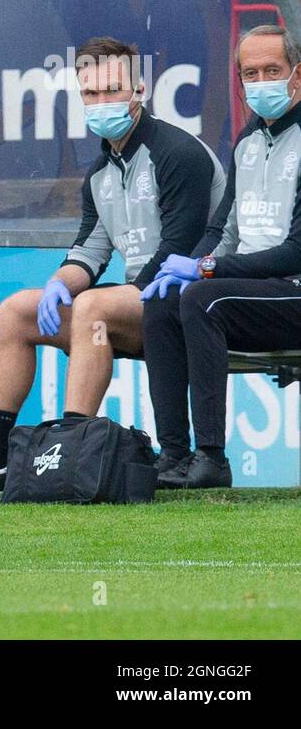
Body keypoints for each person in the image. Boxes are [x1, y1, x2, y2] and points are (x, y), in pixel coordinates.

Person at [0, 37, 225, 492]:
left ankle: (66, 455)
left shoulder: (178, 153)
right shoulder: (102, 173)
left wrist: (91, 297)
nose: (101, 102)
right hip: (132, 309)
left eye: (112, 90)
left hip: (185, 301)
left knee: (92, 310)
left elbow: (178, 252)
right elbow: (87, 251)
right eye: (91, 93)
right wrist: (58, 284)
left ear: (139, 89)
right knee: (16, 312)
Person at [141, 24, 301, 490]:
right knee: (163, 302)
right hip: (254, 291)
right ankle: (173, 454)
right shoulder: (248, 143)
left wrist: (207, 269)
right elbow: (222, 230)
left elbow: (297, 251)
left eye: (273, 70)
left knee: (203, 298)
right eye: (250, 73)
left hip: (293, 290)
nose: (261, 81)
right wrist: (187, 266)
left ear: (298, 75)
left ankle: (212, 458)